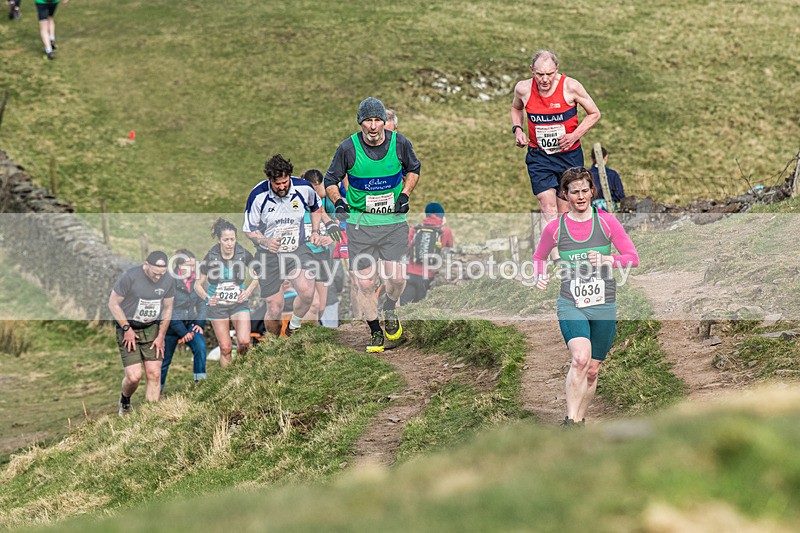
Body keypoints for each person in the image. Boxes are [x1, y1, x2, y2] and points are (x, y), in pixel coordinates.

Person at [532, 167, 638, 427]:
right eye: (574, 192)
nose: (580, 197)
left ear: (592, 192)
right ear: (565, 195)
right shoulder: (555, 228)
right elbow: (539, 257)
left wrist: (607, 259)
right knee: (580, 358)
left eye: (584, 191)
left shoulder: (606, 222)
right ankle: (571, 421)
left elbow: (632, 258)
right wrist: (540, 275)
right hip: (571, 302)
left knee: (592, 370)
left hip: (604, 303)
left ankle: (579, 419)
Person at [324, 96, 421, 353]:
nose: (374, 126)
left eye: (378, 120)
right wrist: (338, 202)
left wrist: (405, 195)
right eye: (368, 121)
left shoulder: (400, 143)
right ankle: (375, 331)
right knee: (365, 284)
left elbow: (414, 169)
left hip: (393, 223)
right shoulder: (348, 148)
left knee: (397, 278)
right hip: (360, 225)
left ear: (384, 122)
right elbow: (330, 179)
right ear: (361, 123)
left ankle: (389, 306)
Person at [511, 50, 601, 225]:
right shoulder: (523, 89)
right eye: (540, 74)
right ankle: (554, 244)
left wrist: (574, 136)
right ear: (532, 70)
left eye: (550, 74)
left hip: (568, 155)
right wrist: (518, 130)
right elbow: (516, 108)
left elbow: (594, 113)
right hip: (539, 156)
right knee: (548, 207)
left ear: (557, 69)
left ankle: (565, 241)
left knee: (565, 210)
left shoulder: (571, 87)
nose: (545, 79)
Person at [243, 154, 324, 337]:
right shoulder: (258, 195)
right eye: (277, 183)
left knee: (307, 292)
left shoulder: (303, 188)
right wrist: (265, 241)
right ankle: (275, 343)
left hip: (297, 248)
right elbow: (249, 229)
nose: (281, 187)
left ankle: (293, 327)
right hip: (268, 254)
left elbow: (316, 207)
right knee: (274, 307)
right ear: (269, 180)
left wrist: (315, 231)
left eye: (285, 182)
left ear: (289, 177)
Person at [108, 251, 175, 416]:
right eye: (155, 273)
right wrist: (126, 328)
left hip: (151, 328)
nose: (158, 277)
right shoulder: (130, 277)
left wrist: (161, 336)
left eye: (161, 274)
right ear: (146, 265)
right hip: (128, 329)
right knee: (134, 377)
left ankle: (150, 417)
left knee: (154, 373)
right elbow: (113, 304)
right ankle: (125, 400)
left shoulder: (168, 280)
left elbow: (167, 309)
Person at [195, 218, 259, 368]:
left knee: (244, 342)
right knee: (225, 348)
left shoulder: (243, 254)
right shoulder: (210, 257)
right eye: (226, 240)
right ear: (219, 240)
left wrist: (248, 292)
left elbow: (258, 276)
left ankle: (242, 372)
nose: (230, 243)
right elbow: (197, 285)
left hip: (238, 304)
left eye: (232, 239)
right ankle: (227, 378)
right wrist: (207, 298)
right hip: (218, 306)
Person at [299, 169, 343, 323]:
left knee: (321, 305)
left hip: (322, 255)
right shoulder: (296, 201)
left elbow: (340, 223)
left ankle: (312, 329)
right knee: (313, 303)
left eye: (318, 191)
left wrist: (330, 237)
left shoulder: (326, 201)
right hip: (302, 255)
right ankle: (305, 332)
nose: (315, 195)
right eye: (312, 191)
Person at [161, 249, 207, 390]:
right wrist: (182, 332)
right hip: (170, 327)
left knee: (200, 347)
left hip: (190, 324)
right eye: (189, 265)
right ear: (180, 266)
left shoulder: (197, 281)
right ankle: (158, 391)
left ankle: (200, 386)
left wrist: (199, 323)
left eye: (194, 265)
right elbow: (169, 310)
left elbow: (202, 304)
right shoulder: (169, 281)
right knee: (164, 360)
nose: (192, 269)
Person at [401, 202, 454, 305]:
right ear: (442, 216)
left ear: (426, 215)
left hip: (410, 273)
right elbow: (450, 249)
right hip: (428, 276)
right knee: (420, 306)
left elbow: (406, 249)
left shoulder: (415, 229)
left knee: (404, 305)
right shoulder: (445, 231)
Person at [589, 145, 625, 211]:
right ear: (606, 157)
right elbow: (620, 195)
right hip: (611, 208)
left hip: (592, 209)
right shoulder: (613, 174)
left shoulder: (587, 174)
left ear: (591, 158)